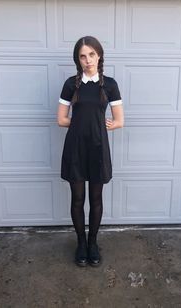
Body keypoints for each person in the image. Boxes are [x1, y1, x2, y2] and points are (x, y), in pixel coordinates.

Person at [57, 36, 124, 267]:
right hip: (75, 148)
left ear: (99, 55)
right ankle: (81, 244)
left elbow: (119, 121)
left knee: (96, 198)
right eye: (83, 56)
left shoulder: (110, 85)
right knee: (77, 198)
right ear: (78, 59)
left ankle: (93, 243)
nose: (88, 60)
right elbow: (61, 119)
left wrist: (101, 125)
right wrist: (80, 125)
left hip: (98, 148)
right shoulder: (70, 84)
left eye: (92, 55)